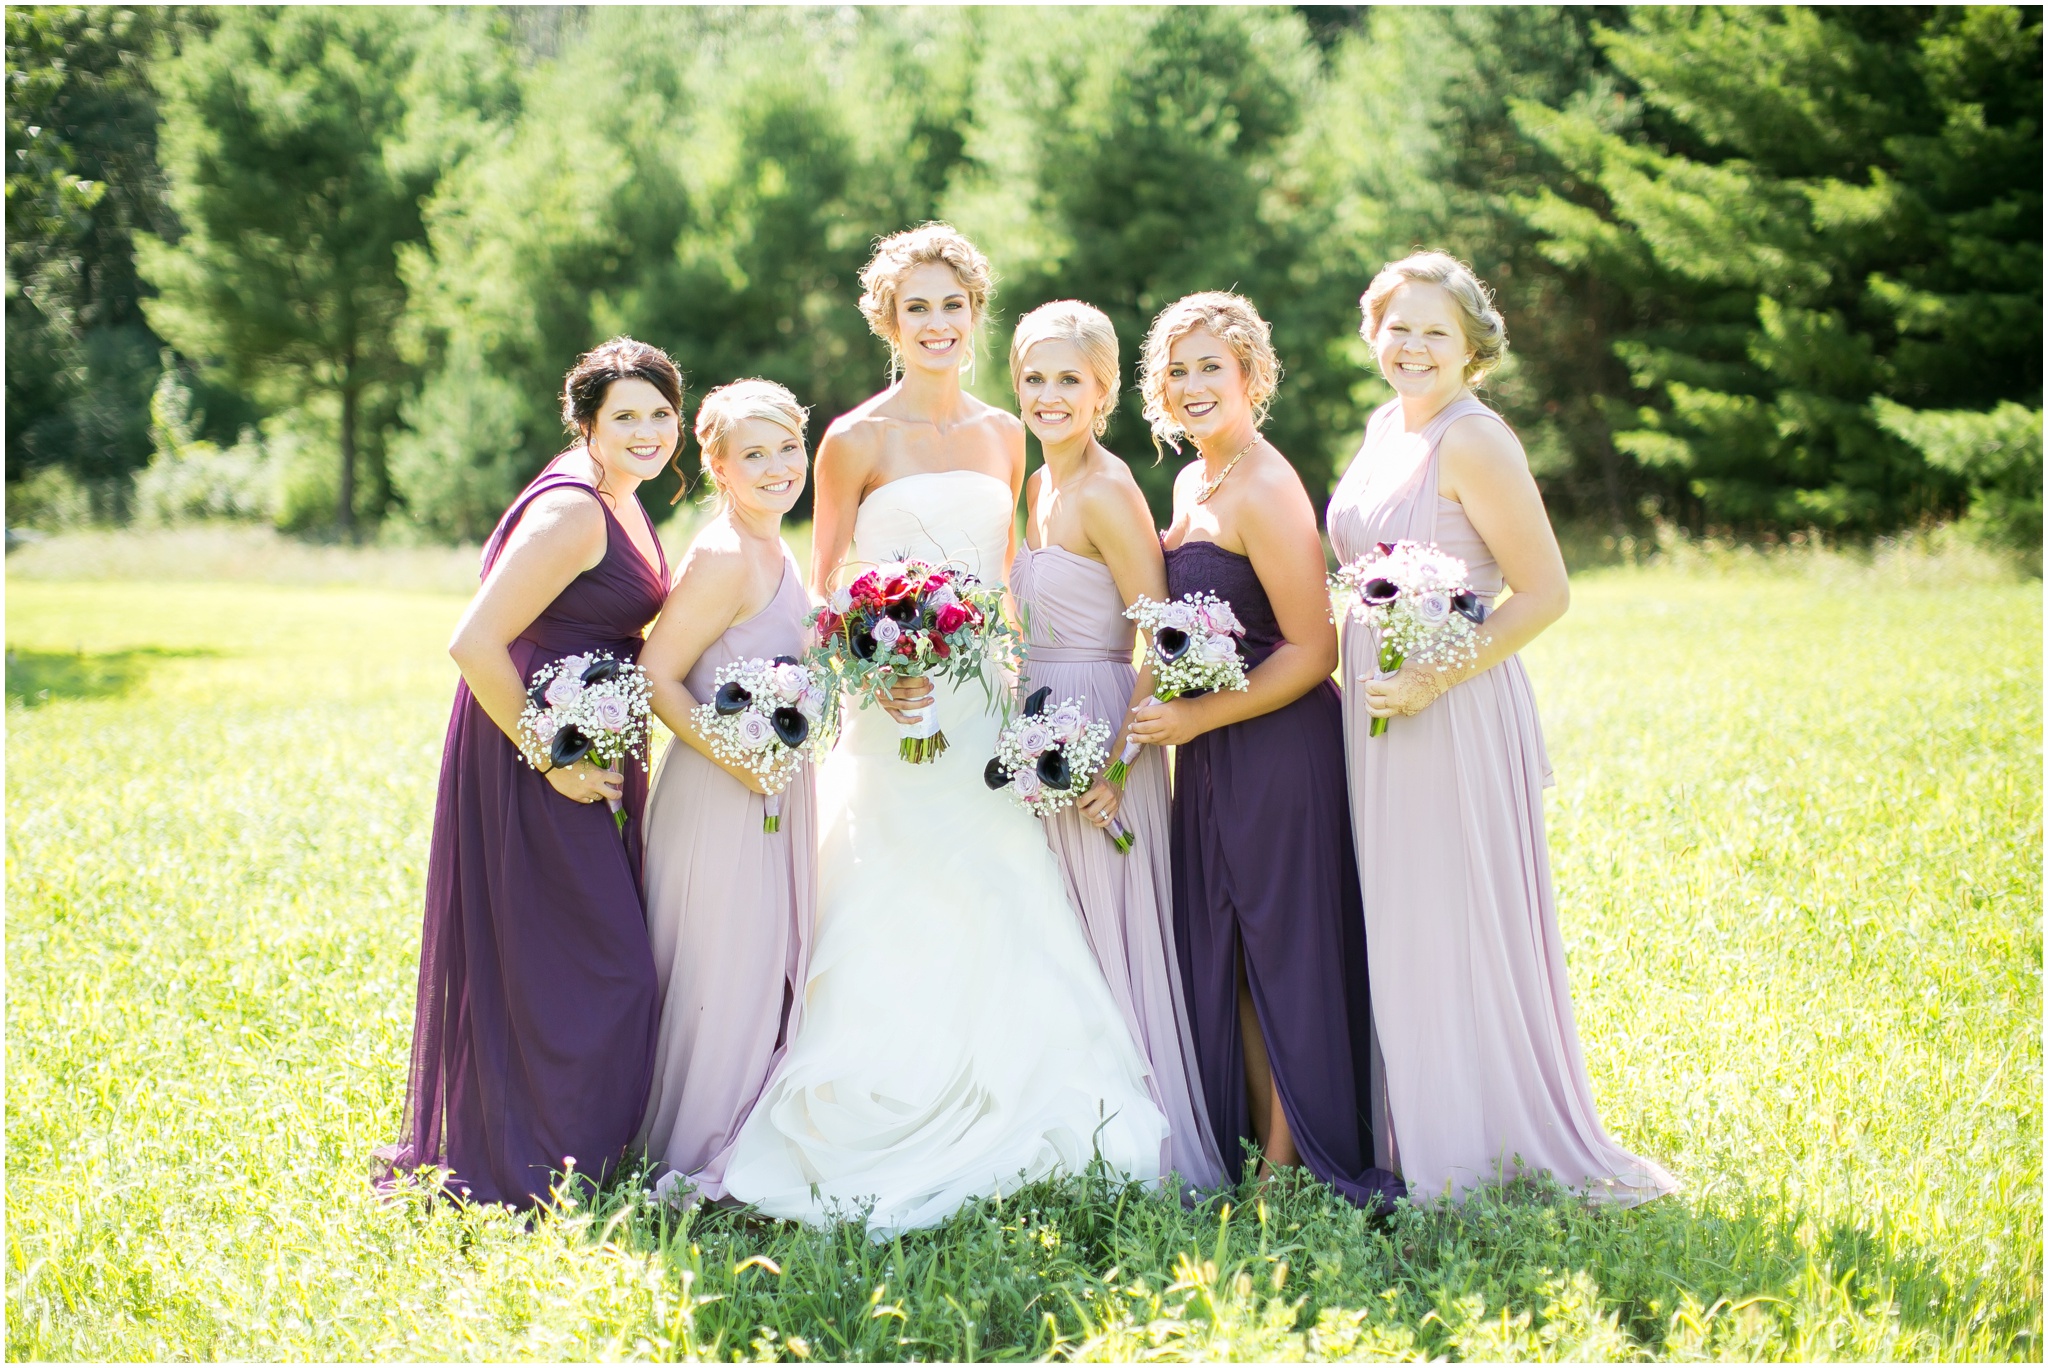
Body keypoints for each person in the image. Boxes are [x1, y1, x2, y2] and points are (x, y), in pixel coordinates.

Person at [716, 225, 1167, 1236]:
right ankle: (875, 1099)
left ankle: (1019, 1097)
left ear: (975, 317)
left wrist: (996, 682)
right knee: (887, 887)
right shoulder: (851, 440)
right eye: (915, 306)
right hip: (889, 710)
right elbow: (826, 588)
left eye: (951, 305)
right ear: (887, 319)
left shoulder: (1006, 434)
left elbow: (1000, 576)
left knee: (1002, 885)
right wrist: (877, 673)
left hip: (981, 709)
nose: (935, 324)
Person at [1330, 251, 1677, 1205]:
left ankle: (1482, 1145)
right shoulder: (1380, 429)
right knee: (1402, 918)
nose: (1413, 345)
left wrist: (1435, 678)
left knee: (1456, 917)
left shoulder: (1475, 440)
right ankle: (1414, 1129)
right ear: (1374, 332)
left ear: (1472, 347)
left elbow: (1546, 592)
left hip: (1452, 708)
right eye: (1398, 325)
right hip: (1377, 712)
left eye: (1435, 330)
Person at [1125, 292, 1402, 1211]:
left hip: (1277, 748)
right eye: (1179, 369)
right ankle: (1257, 1142)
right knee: (1233, 949)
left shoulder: (1267, 484)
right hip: (1209, 752)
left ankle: (1296, 1166)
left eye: (1213, 366)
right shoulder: (1191, 480)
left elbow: (1312, 649)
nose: (1195, 385)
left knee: (1284, 950)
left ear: (1251, 375)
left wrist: (1199, 721)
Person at [382, 338, 673, 1209]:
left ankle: (572, 1150)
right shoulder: (576, 511)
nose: (647, 430)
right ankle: (544, 1164)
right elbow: (472, 642)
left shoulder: (618, 495)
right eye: (625, 416)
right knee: (604, 963)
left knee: (566, 954)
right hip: (533, 749)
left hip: (577, 736)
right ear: (586, 424)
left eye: (661, 413)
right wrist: (550, 759)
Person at [1008, 300, 1226, 1192]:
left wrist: (1119, 764)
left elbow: (1160, 633)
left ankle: (1139, 1151)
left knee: (1112, 934)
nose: (1049, 396)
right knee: (1052, 931)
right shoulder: (1034, 485)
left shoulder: (1106, 488)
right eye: (1034, 378)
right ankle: (1065, 1134)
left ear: (1103, 393)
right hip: (1037, 722)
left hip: (1106, 721)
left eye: (1070, 380)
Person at [634, 380, 816, 1198]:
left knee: (759, 970)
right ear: (717, 463)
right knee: (719, 972)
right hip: (721, 792)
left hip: (774, 789)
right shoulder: (722, 554)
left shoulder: (777, 548)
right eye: (756, 454)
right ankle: (691, 1148)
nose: (779, 467)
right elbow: (656, 676)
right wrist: (742, 761)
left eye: (788, 448)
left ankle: (740, 1133)